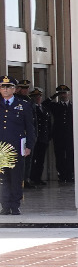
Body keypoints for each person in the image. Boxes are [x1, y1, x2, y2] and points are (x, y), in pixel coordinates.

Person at [0, 77, 36, 214]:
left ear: (14, 89)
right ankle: (5, 205)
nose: (5, 89)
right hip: (1, 149)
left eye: (8, 87)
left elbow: (30, 128)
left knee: (16, 177)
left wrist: (29, 146)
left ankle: (15, 205)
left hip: (16, 147)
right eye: (3, 87)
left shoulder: (24, 105)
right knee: (3, 179)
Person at [43, 86, 73, 183]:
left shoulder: (73, 106)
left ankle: (69, 174)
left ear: (68, 94)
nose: (63, 95)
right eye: (61, 93)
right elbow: (44, 104)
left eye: (64, 93)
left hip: (70, 135)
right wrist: (53, 96)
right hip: (58, 135)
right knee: (59, 155)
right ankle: (62, 174)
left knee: (70, 155)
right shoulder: (55, 106)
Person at [24, 88, 50, 187]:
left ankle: (37, 178)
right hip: (34, 138)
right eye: (35, 96)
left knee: (40, 160)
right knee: (31, 160)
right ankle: (30, 178)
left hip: (43, 138)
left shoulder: (44, 108)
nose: (37, 98)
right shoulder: (30, 108)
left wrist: (48, 136)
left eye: (39, 96)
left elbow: (48, 124)